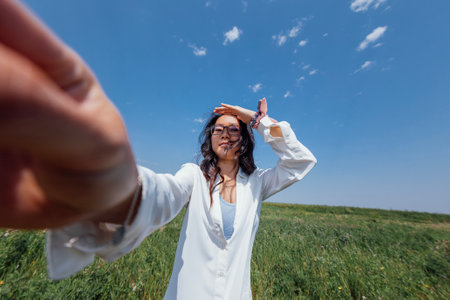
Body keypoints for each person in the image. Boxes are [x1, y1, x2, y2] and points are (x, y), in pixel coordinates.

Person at [0, 0, 317, 299]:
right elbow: (165, 194)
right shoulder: (194, 176)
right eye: (218, 129)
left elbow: (299, 162)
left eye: (233, 129)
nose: (225, 134)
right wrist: (116, 190)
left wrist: (258, 121)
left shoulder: (257, 184)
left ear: (244, 139)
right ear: (209, 138)